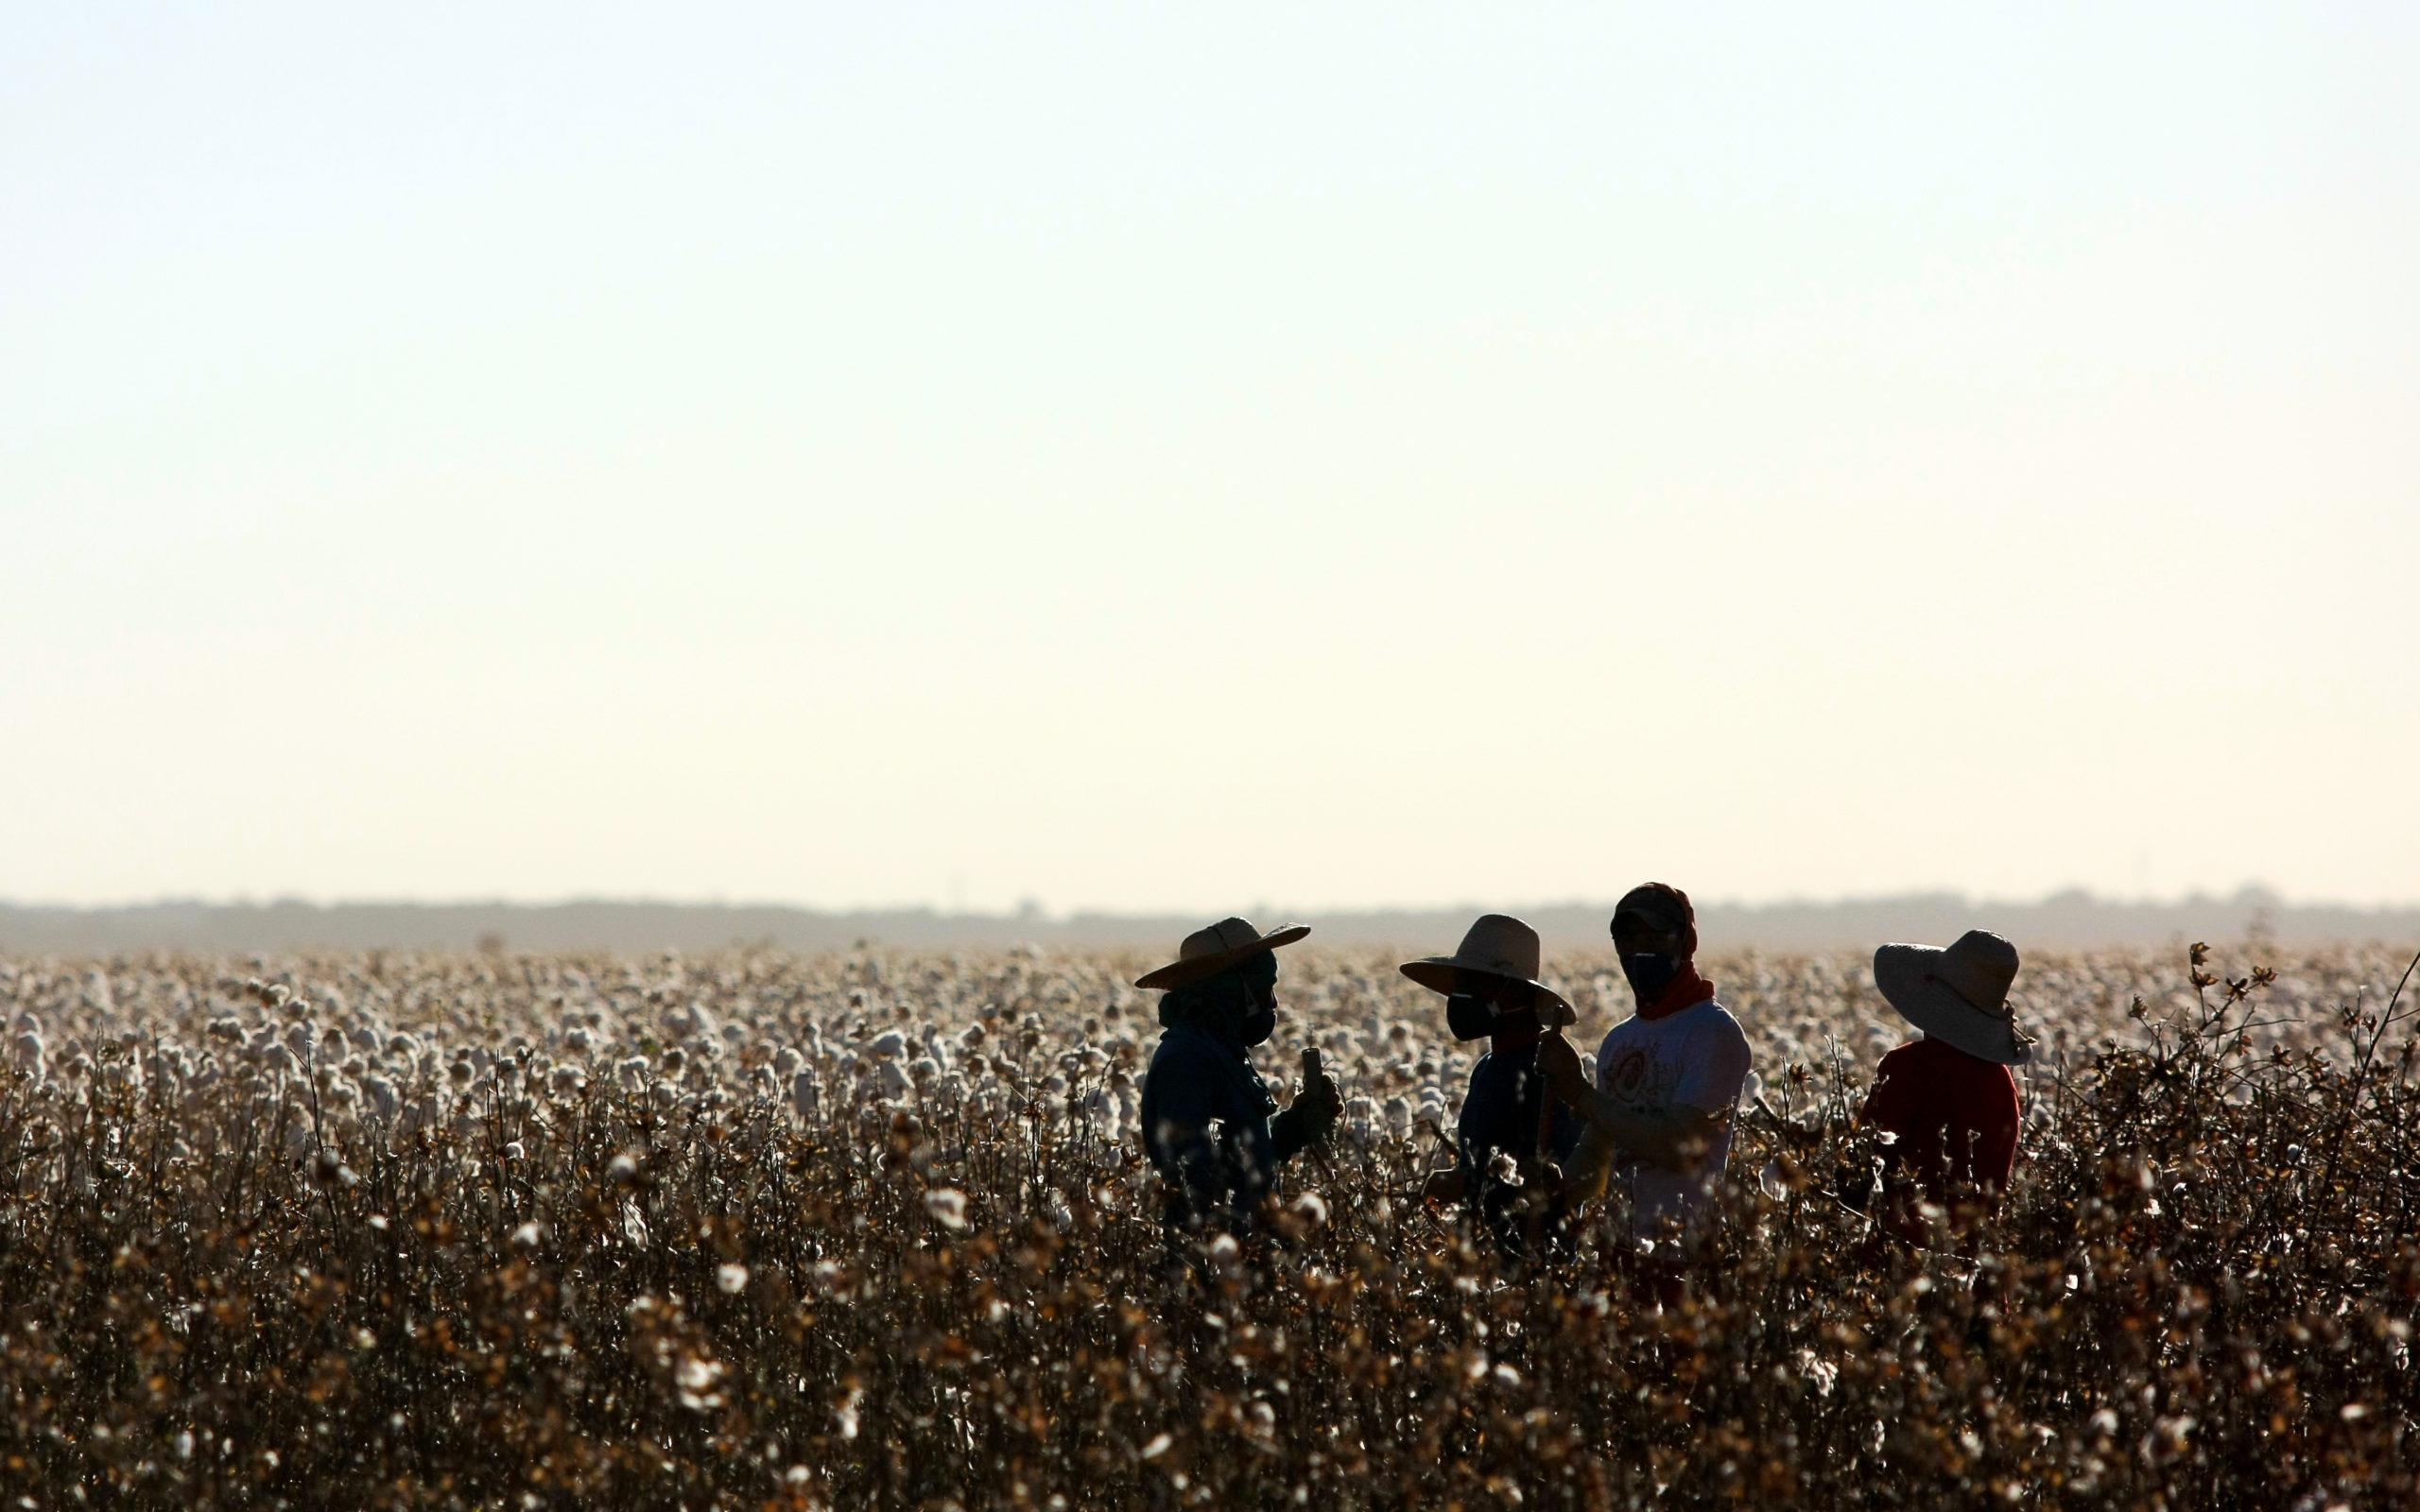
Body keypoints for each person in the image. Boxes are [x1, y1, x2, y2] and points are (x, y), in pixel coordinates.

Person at [1540, 883, 1752, 1246]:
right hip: (1620, 1254)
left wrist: (1578, 1093)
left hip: (1683, 1256)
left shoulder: (1712, 1033)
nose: (1640, 951)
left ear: (1685, 942)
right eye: (1628, 940)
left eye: (1656, 938)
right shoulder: (1619, 1040)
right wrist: (1550, 1196)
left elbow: (1679, 1148)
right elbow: (1599, 1154)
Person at [1136, 917, 1342, 1240]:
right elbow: (1197, 1181)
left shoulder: (1222, 1052)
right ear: (1232, 987)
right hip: (1211, 1268)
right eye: (1265, 987)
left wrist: (1294, 1128)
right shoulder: (1186, 1059)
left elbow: (1241, 1161)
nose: (1272, 1003)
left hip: (1246, 1257)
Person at [1400, 914, 1588, 1261]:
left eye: (1472, 982)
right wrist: (1463, 1182)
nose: (1460, 996)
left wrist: (1470, 1186)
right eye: (1459, 983)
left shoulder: (1549, 1072)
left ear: (1511, 988)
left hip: (1539, 1263)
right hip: (1485, 1262)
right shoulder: (1487, 1068)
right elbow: (1484, 1163)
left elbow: (1565, 1181)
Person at [1858, 930, 2031, 1245]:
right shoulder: (2001, 1083)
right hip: (1976, 1271)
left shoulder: (1906, 1068)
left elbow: (1862, 1167)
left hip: (1901, 1265)